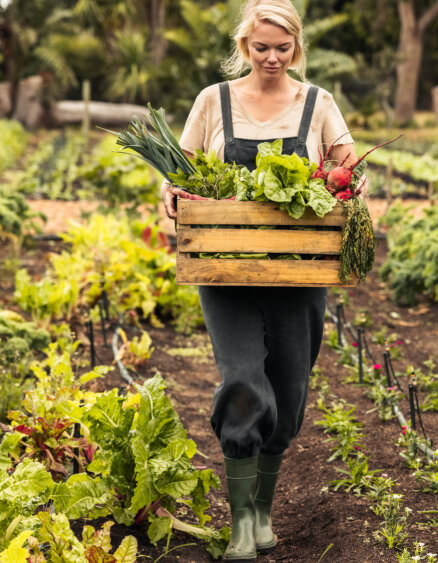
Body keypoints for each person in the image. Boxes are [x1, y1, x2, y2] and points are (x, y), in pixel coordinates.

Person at [160, 1, 366, 560]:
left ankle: (264, 509)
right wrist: (173, 197)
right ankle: (239, 523)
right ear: (244, 47)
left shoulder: (318, 103)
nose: (271, 58)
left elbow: (348, 165)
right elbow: (180, 175)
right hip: (226, 269)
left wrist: (352, 185)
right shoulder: (214, 101)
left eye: (282, 48)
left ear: (295, 47)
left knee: (292, 390)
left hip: (298, 271)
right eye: (260, 48)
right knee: (244, 380)